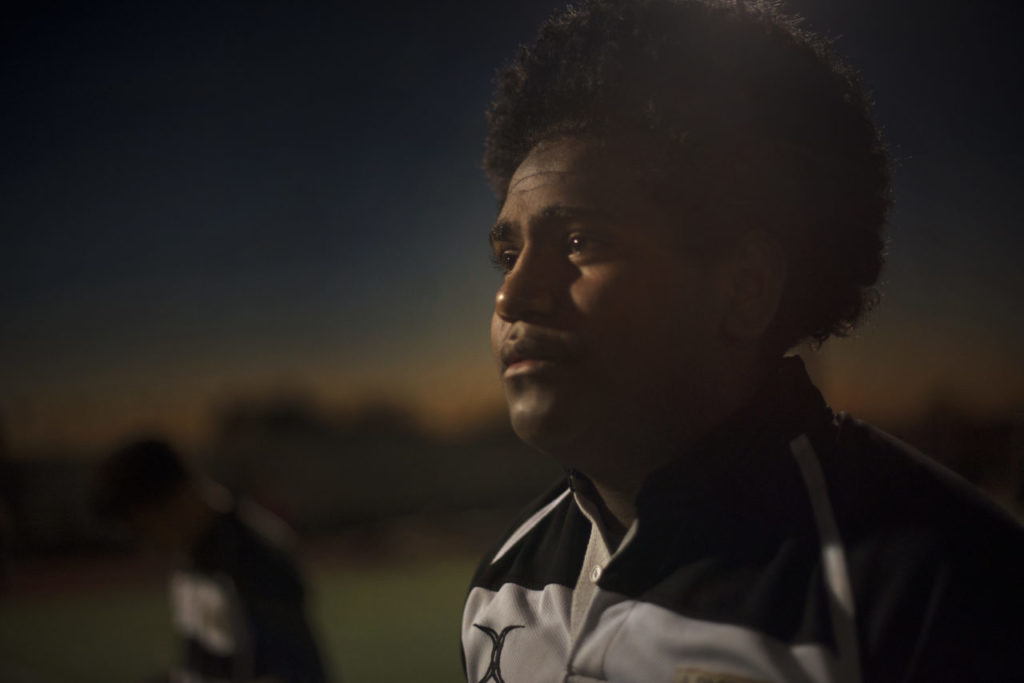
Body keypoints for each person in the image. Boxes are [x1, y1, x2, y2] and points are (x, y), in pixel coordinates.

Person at [460, 1, 1024, 681]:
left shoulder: (935, 586)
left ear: (744, 287)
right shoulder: (504, 585)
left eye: (580, 242)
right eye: (508, 254)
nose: (512, 296)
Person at [93, 438, 329, 683]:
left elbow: (290, 673)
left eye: (143, 529)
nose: (147, 545)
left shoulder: (252, 560)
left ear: (173, 501)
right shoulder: (196, 556)